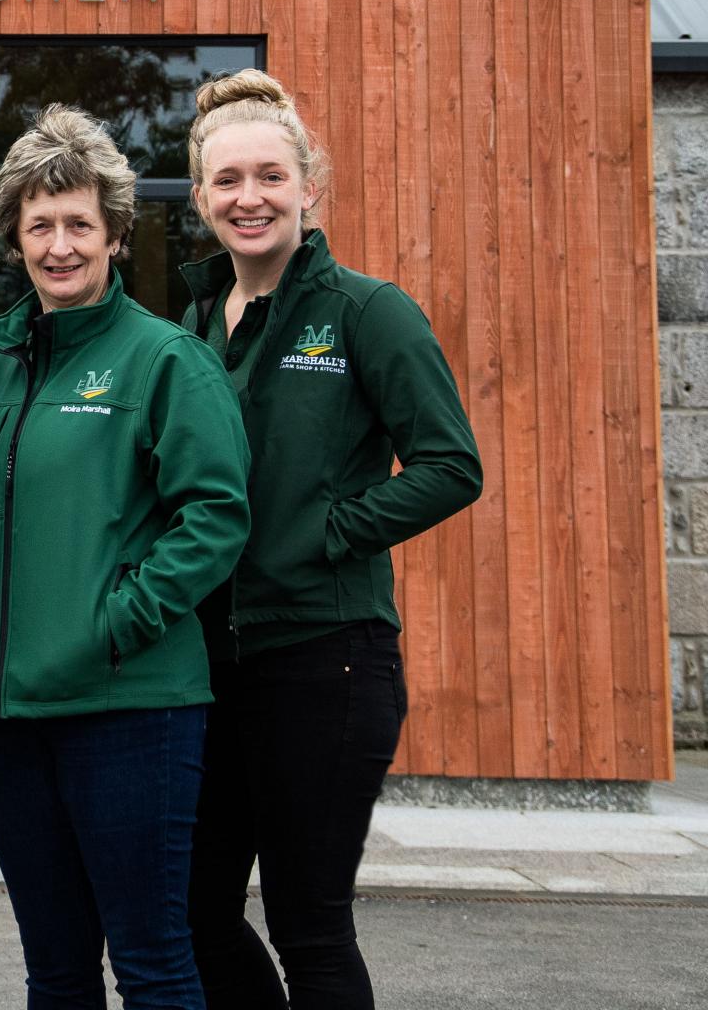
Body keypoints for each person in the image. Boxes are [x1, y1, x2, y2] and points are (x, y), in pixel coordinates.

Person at [177, 70, 483, 1010]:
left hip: (327, 659)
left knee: (310, 925)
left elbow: (450, 465)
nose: (249, 198)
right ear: (200, 199)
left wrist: (327, 531)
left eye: (270, 176)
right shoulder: (195, 322)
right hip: (212, 662)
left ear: (311, 186)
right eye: (227, 181)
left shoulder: (365, 310)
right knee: (191, 913)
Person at [0, 105, 249, 1009]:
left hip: (131, 709)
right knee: (56, 970)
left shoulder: (164, 361)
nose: (60, 246)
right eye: (41, 226)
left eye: (80, 224)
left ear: (115, 233)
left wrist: (118, 621)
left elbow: (216, 518)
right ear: (15, 238)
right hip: (15, 714)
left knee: (152, 963)